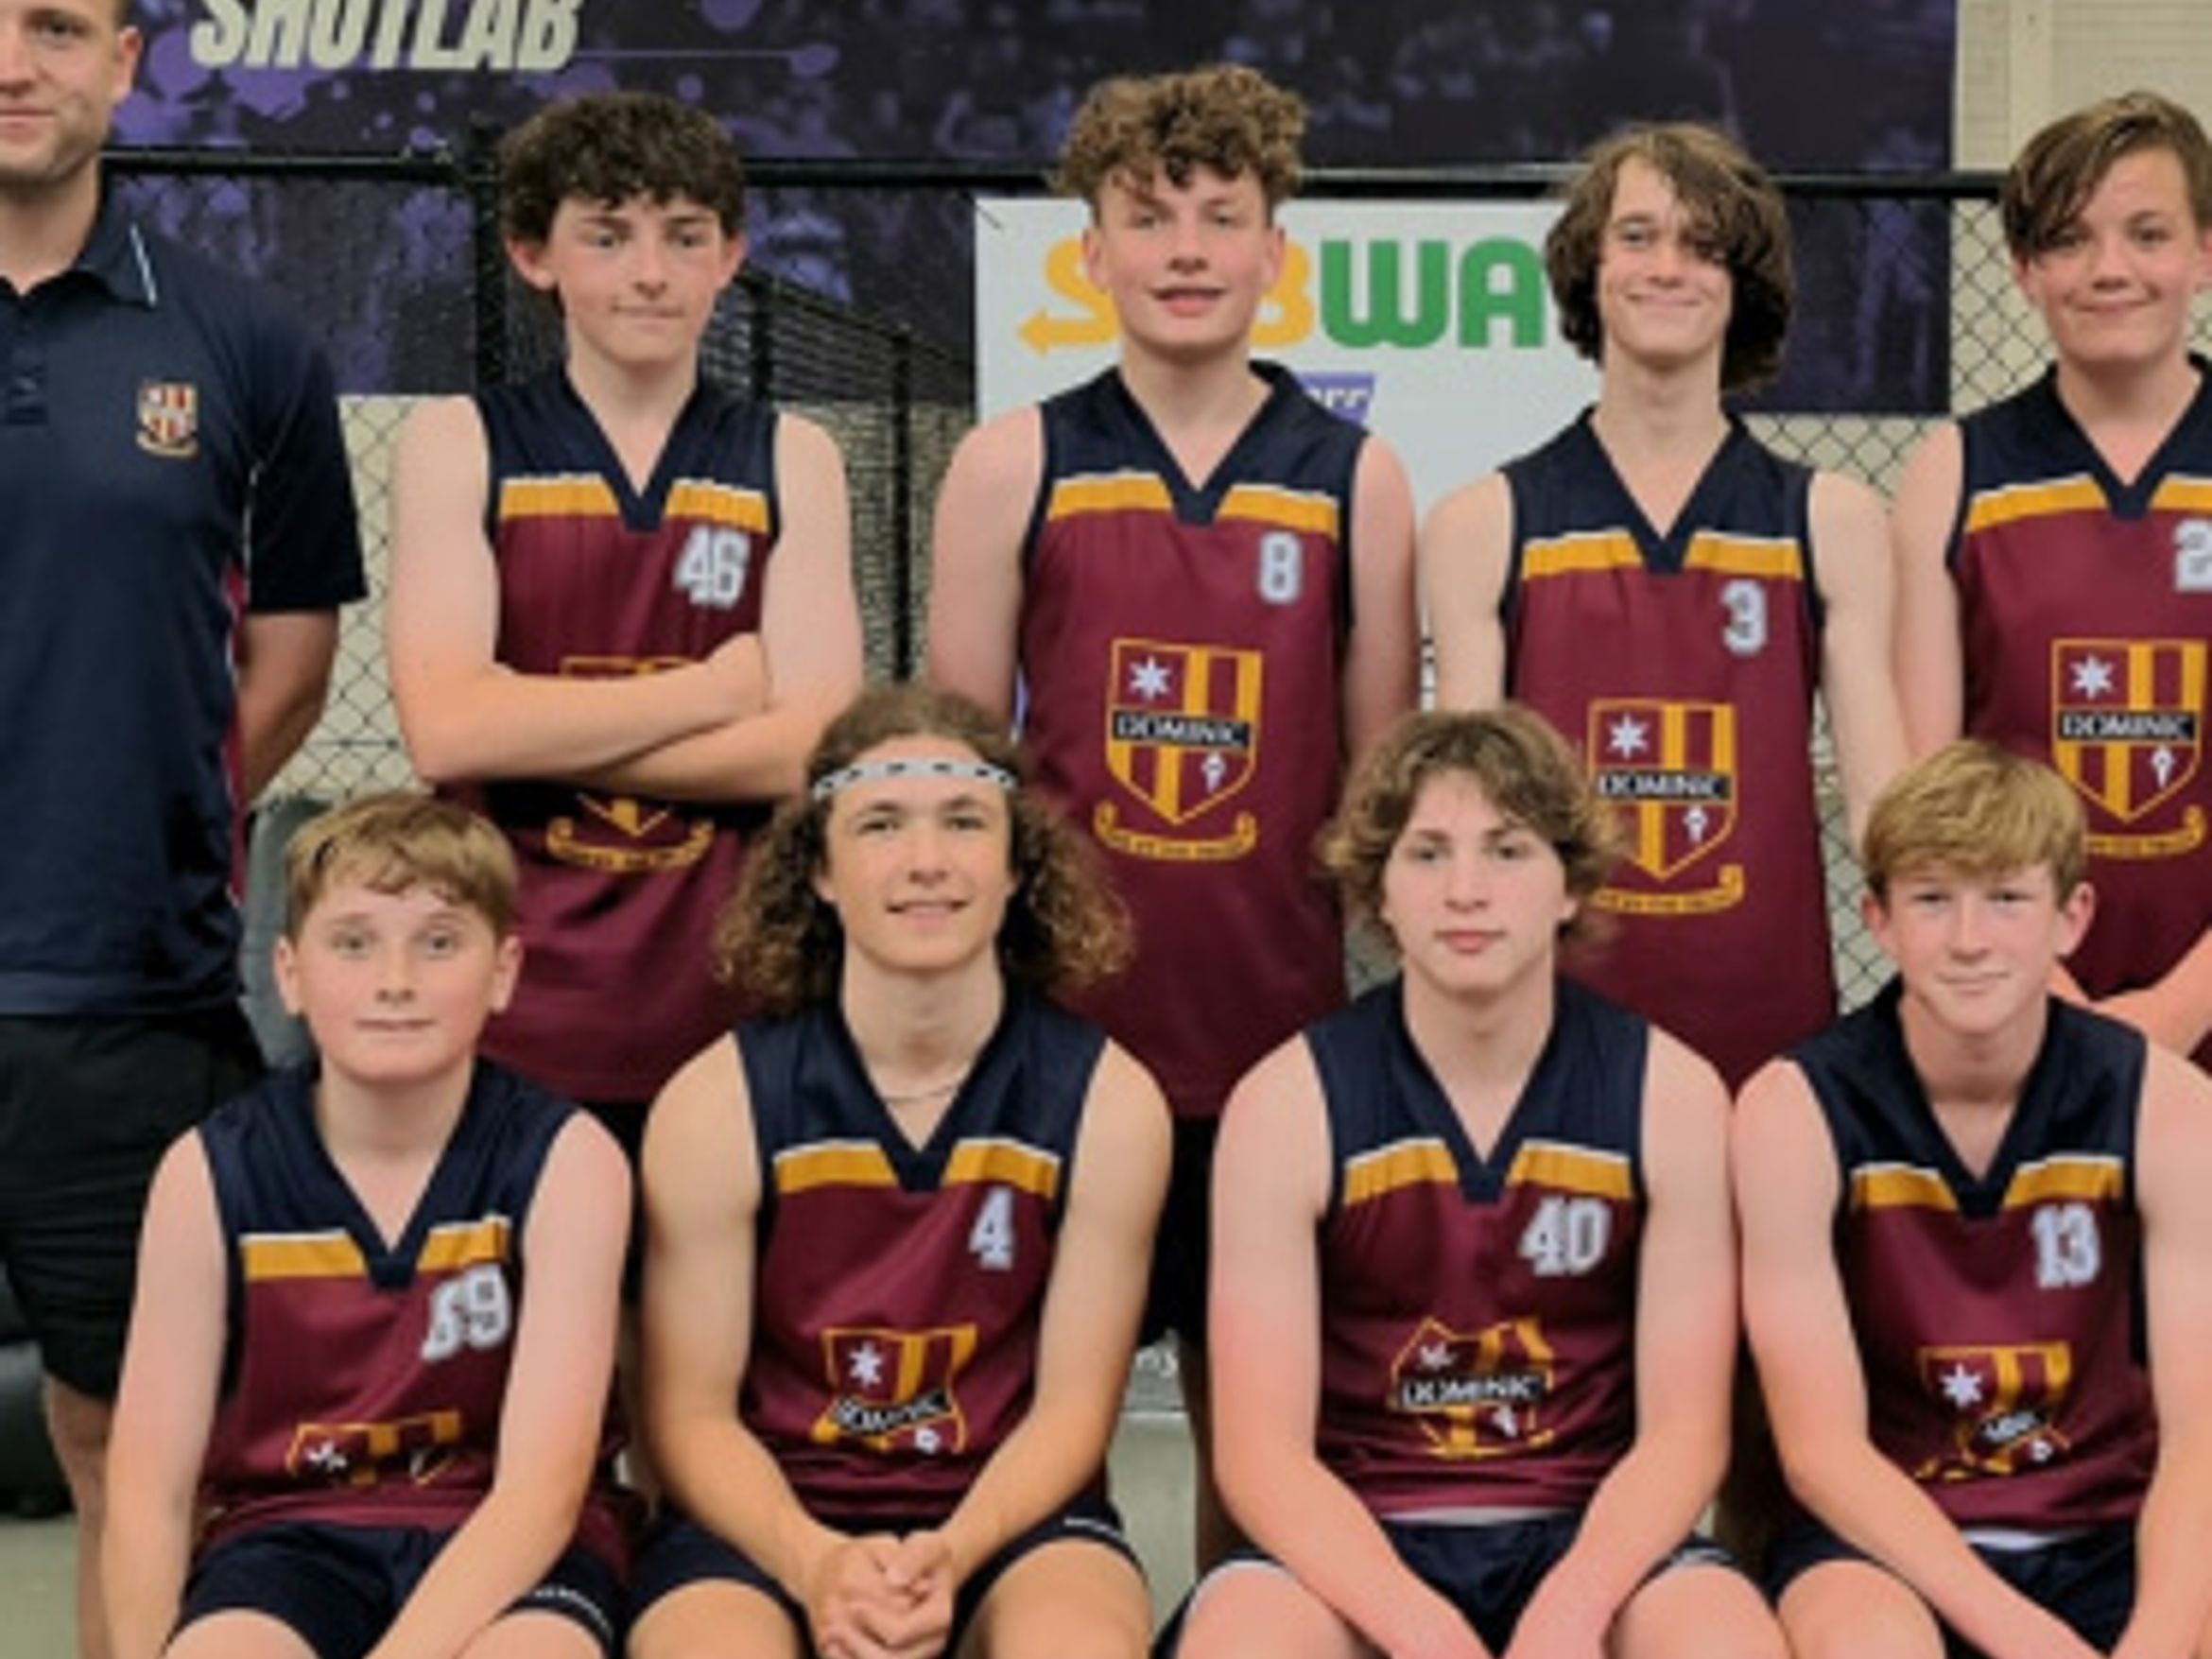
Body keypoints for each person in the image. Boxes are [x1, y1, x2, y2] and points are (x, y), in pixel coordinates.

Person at [925, 62, 1419, 1560]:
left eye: (1221, 215)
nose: (1188, 249)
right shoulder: (1014, 461)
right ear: (1091, 253)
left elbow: (1382, 791)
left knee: (1257, 1448)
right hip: (1056, 1041)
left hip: (1271, 1042)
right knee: (1024, 1419)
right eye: (1151, 218)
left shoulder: (1353, 478)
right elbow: (957, 778)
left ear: (1277, 250)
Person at [0, 4, 364, 1653]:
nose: (16, 63)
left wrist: (160, 811)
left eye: (56, 26)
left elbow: (293, 654)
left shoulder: (244, 339)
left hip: (129, 997)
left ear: (125, 62)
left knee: (126, 1446)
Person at [1177, 707, 1785, 1659]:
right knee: (1243, 1642)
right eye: (1427, 854)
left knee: (1722, 1640)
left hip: (1590, 1532)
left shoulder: (1670, 1095)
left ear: (1570, 884)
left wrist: (1572, 1610)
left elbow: (1685, 1436)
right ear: (1379, 889)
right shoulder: (1287, 1104)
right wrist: (1424, 1631)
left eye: (1507, 850)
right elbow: (1262, 1457)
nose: (1466, 891)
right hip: (1361, 1535)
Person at [629, 685, 1170, 1659]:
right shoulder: (715, 1106)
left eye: (964, 821)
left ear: (1017, 865)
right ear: (820, 870)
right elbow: (690, 1417)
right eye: (880, 824)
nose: (927, 861)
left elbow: (1072, 1415)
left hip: (1008, 1514)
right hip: (772, 1515)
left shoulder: (1108, 1103)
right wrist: (814, 1563)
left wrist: (952, 1555)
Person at [387, 90, 862, 1143]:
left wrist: (530, 726)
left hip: (730, 994)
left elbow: (806, 754)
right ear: (533, 255)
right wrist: (714, 692)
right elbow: (448, 731)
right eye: (607, 236)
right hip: (512, 1000)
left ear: (729, 257)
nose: (651, 272)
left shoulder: (793, 458)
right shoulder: (460, 442)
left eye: (684, 236)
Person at [1423, 121, 1905, 1090]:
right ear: (1589, 269)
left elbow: (1882, 806)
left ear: (1742, 282)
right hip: (1553, 1048)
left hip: (1773, 1041)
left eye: (1702, 245)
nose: (1667, 268)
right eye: (1637, 236)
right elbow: (1470, 814)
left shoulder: (1833, 519)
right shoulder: (1486, 521)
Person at [101, 794, 633, 1659]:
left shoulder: (567, 1162)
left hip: (506, 1538)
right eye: (353, 943)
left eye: (439, 942)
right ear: (288, 971)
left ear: (503, 970)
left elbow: (540, 1492)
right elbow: (147, 1488)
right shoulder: (209, 1173)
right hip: (291, 1535)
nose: (395, 980)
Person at [1735, 742, 2212, 1657]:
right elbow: (1821, 1452)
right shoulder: (1793, 1111)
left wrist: (2155, 1642)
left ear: (2071, 917)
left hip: (2107, 1521)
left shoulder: (2168, 1105)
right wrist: (2027, 1639)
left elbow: (2200, 1435)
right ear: (1877, 919)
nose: (1968, 939)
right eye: (1931, 899)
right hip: (1888, 1541)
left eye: (2006, 899)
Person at [1892, 90, 2212, 1070]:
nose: (2110, 269)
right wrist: (2054, 1001)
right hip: (2016, 1011)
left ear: (2204, 252)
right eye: (2070, 241)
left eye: (2148, 234)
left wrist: (2176, 1012)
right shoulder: (1955, 474)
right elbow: (1927, 791)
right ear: (2026, 272)